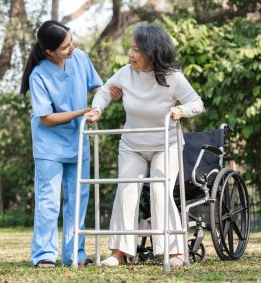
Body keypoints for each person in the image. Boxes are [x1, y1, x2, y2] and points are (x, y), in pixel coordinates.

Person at [85, 23, 204, 267]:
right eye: (130, 48)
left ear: (152, 53)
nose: (130, 54)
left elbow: (197, 103)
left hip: (166, 144)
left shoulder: (173, 78)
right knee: (126, 192)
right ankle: (119, 253)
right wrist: (97, 109)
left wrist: (180, 109)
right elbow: (106, 91)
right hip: (132, 145)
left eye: (136, 50)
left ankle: (174, 253)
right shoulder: (126, 73)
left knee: (161, 191)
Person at [20, 20, 120, 268]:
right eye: (65, 47)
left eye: (71, 42)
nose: (71, 48)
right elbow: (46, 117)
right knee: (49, 201)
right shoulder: (39, 75)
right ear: (49, 51)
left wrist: (102, 102)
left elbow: (98, 87)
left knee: (78, 200)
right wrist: (81, 112)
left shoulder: (81, 59)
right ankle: (44, 255)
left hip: (78, 143)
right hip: (49, 147)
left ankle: (75, 254)